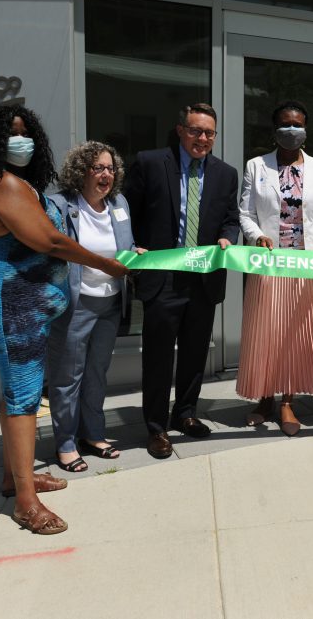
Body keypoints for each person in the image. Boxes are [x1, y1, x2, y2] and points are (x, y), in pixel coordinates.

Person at [0, 105, 127, 534]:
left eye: (27, 133)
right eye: (13, 134)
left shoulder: (3, 182)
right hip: (8, 301)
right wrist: (107, 265)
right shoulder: (3, 184)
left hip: (18, 302)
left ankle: (12, 476)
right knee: (23, 398)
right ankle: (25, 503)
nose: (23, 141)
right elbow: (49, 240)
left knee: (18, 392)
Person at [123, 103, 240, 459]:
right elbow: (128, 210)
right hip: (163, 277)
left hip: (203, 278)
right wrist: (131, 247)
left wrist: (227, 237)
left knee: (195, 352)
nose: (202, 139)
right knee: (158, 357)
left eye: (209, 133)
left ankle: (185, 414)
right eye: (195, 131)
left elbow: (230, 217)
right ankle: (156, 428)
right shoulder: (150, 162)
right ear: (180, 130)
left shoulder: (226, 173)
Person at [237, 100, 313, 436]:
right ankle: (264, 396)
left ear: (306, 130)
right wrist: (257, 235)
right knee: (265, 332)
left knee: (295, 333)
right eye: (285, 124)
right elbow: (246, 213)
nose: (292, 130)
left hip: (305, 266)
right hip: (268, 264)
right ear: (274, 129)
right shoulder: (256, 166)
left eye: (298, 124)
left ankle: (288, 401)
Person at [46, 141, 140, 473]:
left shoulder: (119, 203)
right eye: (98, 168)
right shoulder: (60, 205)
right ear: (80, 171)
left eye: (110, 168)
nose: (106, 175)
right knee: (67, 375)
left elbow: (123, 245)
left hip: (110, 302)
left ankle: (94, 434)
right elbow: (53, 249)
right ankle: (66, 443)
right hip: (76, 304)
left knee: (97, 372)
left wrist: (134, 253)